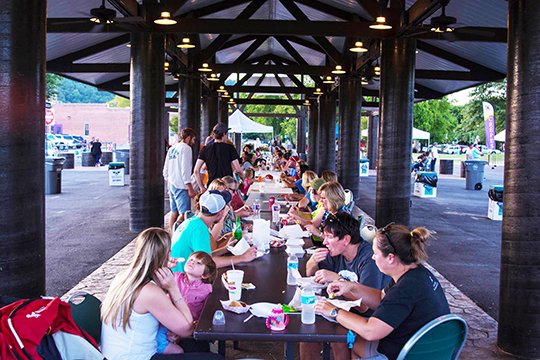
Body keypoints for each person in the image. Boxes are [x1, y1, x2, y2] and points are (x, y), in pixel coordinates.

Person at [314, 223, 450, 360]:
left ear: (390, 258)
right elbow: (381, 297)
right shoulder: (414, 272)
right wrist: (351, 286)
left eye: (375, 253)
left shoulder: (405, 288)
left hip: (412, 353)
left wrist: (333, 311)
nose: (373, 257)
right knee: (357, 345)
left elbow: (370, 331)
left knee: (357, 340)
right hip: (430, 348)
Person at [301, 212, 389, 359]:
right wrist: (313, 261)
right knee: (307, 336)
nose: (324, 242)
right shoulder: (337, 252)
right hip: (339, 309)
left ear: (346, 239)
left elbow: (363, 307)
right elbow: (311, 277)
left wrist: (337, 278)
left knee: (338, 339)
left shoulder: (368, 259)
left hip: (367, 318)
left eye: (329, 237)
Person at [101, 227, 194, 360]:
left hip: (113, 355)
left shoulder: (123, 277)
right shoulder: (149, 292)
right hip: (136, 357)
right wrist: (173, 288)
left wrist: (164, 269)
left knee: (198, 347)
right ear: (166, 254)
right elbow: (187, 329)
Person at [170, 190, 256, 272]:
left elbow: (206, 256)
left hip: (180, 275)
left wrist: (226, 248)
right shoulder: (199, 229)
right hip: (183, 281)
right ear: (221, 213)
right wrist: (242, 258)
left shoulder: (193, 222)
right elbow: (207, 263)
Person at [155, 251, 217, 355]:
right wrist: (167, 267)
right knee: (159, 334)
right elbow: (157, 277)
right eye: (191, 259)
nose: (192, 262)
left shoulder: (206, 289)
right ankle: (163, 349)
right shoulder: (175, 277)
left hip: (190, 326)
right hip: (168, 320)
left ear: (205, 274)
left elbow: (206, 313)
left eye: (199, 263)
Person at [163, 128, 198, 232]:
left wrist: (169, 181)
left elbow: (165, 170)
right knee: (184, 215)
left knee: (174, 212)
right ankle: (180, 238)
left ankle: (172, 238)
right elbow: (185, 170)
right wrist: (190, 188)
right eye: (193, 139)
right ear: (188, 137)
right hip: (181, 186)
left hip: (171, 184)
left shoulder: (172, 148)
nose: (193, 142)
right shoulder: (186, 148)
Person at [194, 123, 244, 192]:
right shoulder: (230, 148)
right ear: (224, 134)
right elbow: (238, 169)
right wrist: (244, 180)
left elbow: (196, 170)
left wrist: (201, 187)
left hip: (212, 186)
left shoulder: (205, 149)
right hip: (227, 186)